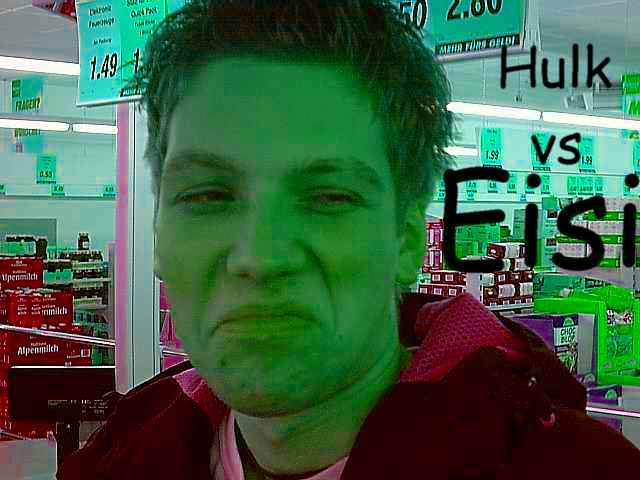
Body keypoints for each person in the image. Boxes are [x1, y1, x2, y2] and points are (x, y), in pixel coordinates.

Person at [57, 1, 640, 479]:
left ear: (407, 239)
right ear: (159, 235)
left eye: (329, 198)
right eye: (208, 195)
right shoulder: (112, 463)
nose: (260, 257)